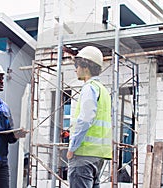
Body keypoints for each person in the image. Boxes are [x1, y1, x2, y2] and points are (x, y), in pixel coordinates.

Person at [67, 46, 112, 188]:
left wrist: (72, 147)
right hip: (98, 156)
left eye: (77, 65)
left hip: (83, 155)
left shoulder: (89, 87)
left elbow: (85, 119)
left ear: (86, 66)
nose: (75, 69)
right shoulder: (103, 90)